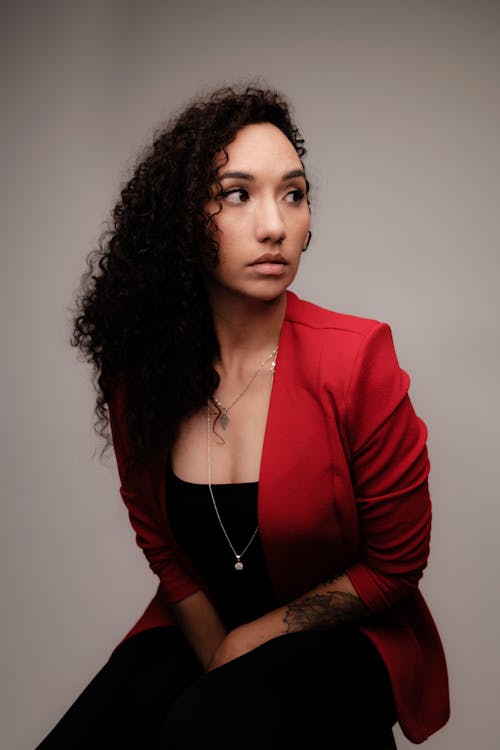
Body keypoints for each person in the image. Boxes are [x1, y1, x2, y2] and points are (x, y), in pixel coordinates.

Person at [36, 84, 450, 748]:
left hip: (348, 638)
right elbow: (160, 539)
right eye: (237, 194)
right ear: (181, 218)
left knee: (204, 729)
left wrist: (252, 639)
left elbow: (395, 565)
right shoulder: (140, 371)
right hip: (202, 619)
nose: (274, 225)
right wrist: (213, 649)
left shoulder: (357, 359)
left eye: (293, 193)